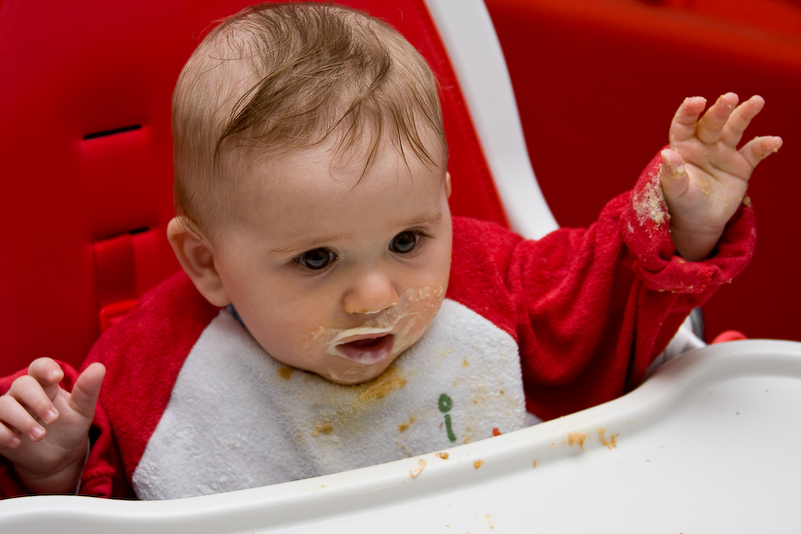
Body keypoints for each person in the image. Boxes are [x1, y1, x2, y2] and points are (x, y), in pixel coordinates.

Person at [0, 2, 782, 499]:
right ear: (205, 264)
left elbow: (607, 297)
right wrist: (51, 466)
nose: (376, 295)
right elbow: (92, 502)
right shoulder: (151, 369)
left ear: (442, 199)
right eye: (315, 260)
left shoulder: (496, 287)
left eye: (408, 240)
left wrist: (679, 222)